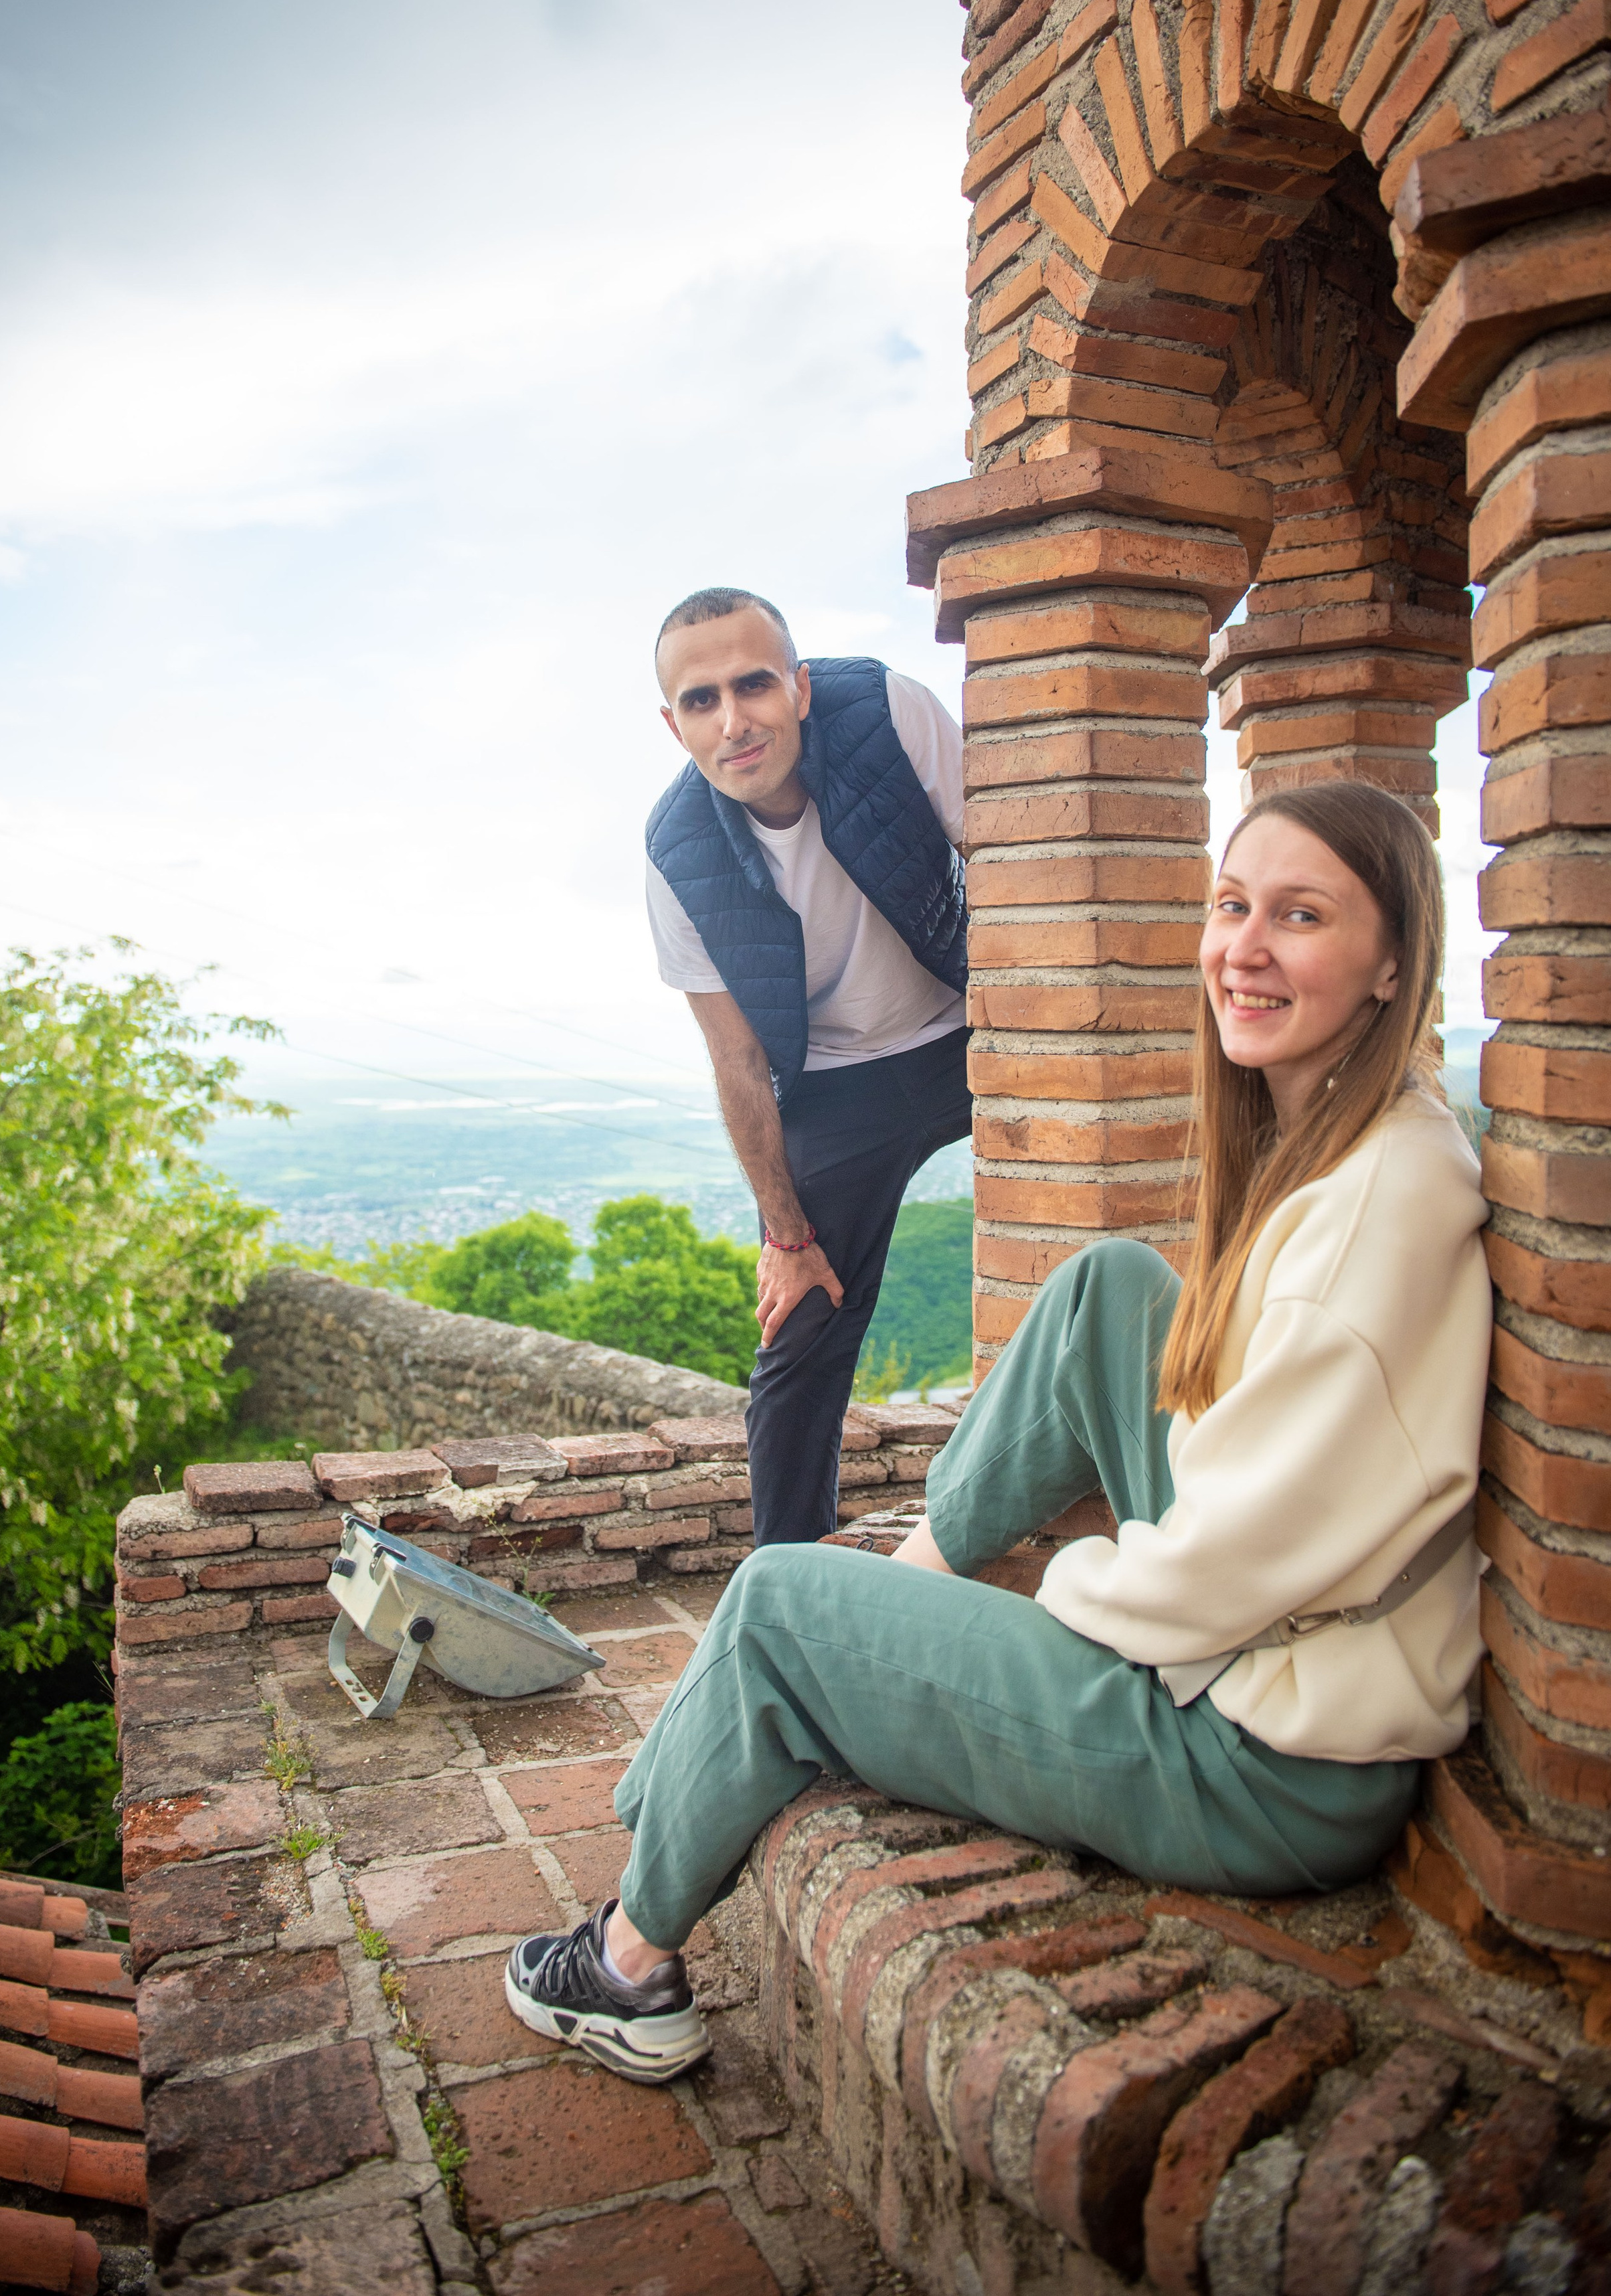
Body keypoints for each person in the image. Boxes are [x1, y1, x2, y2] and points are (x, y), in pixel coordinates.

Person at [505, 782, 1491, 2083]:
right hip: (1278, 1647)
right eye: (1232, 904)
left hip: (1265, 1757)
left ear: (1387, 962)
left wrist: (1051, 1602)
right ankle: (904, 1597)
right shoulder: (1363, 1133)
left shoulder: (1369, 1217)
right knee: (1108, 1289)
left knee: (778, 1604)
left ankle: (627, 1968)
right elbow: (1274, 1481)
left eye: (1298, 916)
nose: (1243, 946)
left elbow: (1226, 1569)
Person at [642, 586, 972, 1546]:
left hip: (974, 1028)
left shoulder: (889, 711)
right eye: (701, 701)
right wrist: (787, 1239)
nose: (733, 721)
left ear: (801, 685)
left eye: (754, 685)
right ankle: (782, 1592)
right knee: (801, 1335)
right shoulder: (677, 853)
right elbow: (737, 1059)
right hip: (833, 1085)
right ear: (675, 724)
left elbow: (1005, 852)